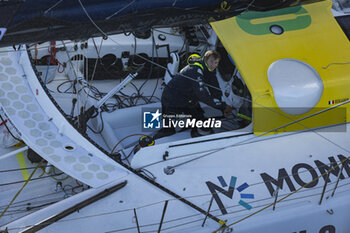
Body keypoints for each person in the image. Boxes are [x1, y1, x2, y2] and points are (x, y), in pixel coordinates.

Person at [154, 50, 233, 139]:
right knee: (168, 129)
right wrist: (222, 106)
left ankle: (197, 129)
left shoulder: (210, 70)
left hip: (188, 97)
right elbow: (202, 94)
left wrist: (222, 105)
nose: (214, 65)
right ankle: (157, 140)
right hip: (172, 99)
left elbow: (214, 88)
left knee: (199, 117)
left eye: (216, 62)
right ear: (205, 60)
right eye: (211, 62)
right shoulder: (195, 70)